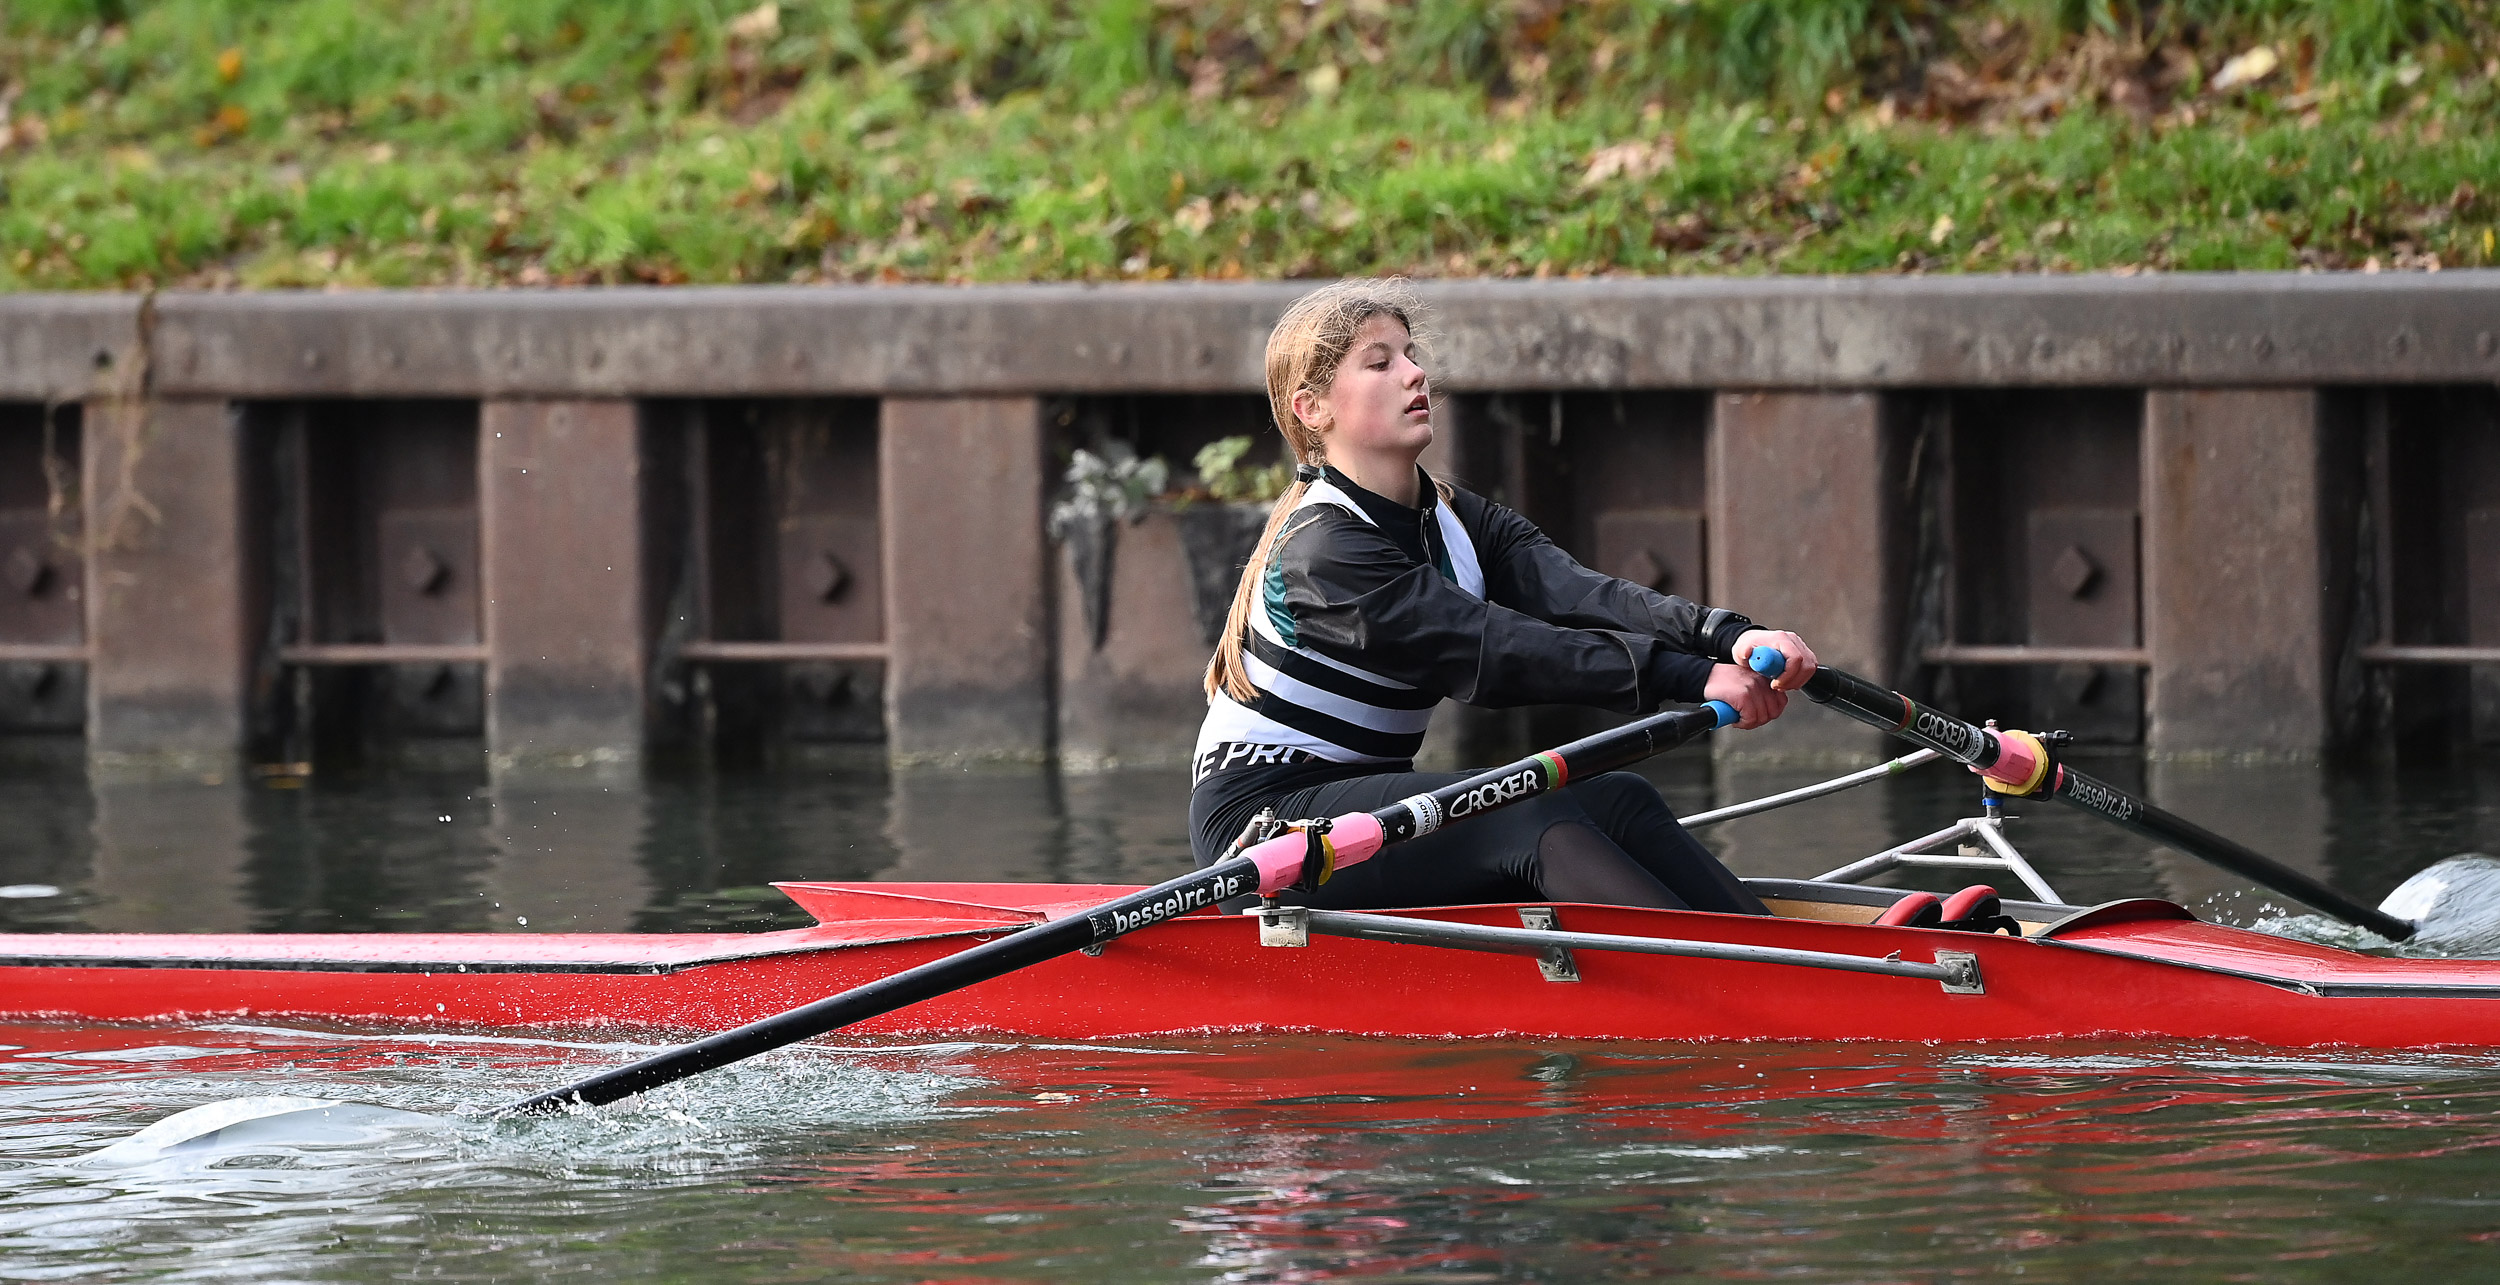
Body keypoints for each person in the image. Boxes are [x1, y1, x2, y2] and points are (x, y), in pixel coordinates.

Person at [1188, 279, 1819, 914]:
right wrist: (1691, 677)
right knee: (1526, 811)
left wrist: (1725, 637)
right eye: (1380, 363)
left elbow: (1579, 593)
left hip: (1370, 804)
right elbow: (1491, 650)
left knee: (1621, 797)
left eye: (1410, 354)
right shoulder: (1323, 554)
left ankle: (1779, 961)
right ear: (1311, 408)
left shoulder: (1457, 519)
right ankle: (1723, 989)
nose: (1414, 374)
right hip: (1264, 829)